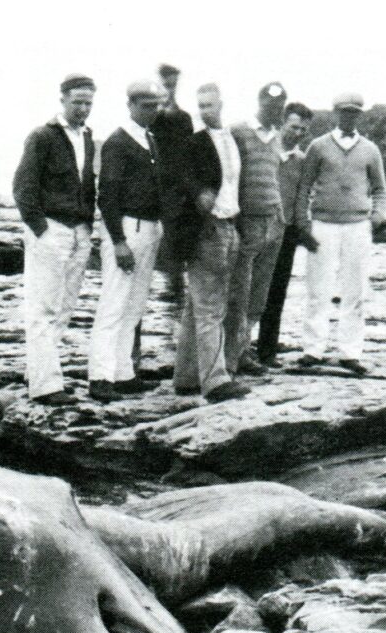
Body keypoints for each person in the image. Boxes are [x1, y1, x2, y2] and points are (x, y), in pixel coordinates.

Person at [11, 74, 98, 405]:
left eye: (88, 102)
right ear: (62, 100)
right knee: (43, 308)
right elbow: (23, 187)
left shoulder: (88, 138)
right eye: (77, 101)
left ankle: (40, 373)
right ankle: (46, 387)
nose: (83, 108)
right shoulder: (42, 136)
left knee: (65, 307)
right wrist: (41, 230)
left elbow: (88, 186)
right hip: (50, 230)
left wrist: (86, 227)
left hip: (78, 232)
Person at [293, 92, 386, 374]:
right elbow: (304, 188)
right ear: (336, 113)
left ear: (360, 115)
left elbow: (381, 190)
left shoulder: (370, 149)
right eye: (344, 112)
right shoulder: (318, 147)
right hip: (322, 225)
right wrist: (303, 223)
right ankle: (313, 349)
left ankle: (350, 352)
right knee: (317, 288)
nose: (349, 116)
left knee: (355, 290)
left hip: (358, 227)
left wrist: (376, 218)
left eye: (354, 112)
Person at [169, 84, 249, 403]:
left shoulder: (234, 139)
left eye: (210, 106)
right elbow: (180, 176)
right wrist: (198, 192)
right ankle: (215, 381)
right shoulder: (194, 143)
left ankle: (187, 376)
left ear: (221, 104)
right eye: (200, 106)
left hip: (231, 226)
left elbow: (235, 183)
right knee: (209, 306)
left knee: (197, 304)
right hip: (208, 230)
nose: (205, 112)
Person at [89, 80, 166, 401]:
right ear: (131, 105)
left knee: (134, 306)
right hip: (126, 228)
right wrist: (117, 241)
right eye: (146, 105)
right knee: (114, 303)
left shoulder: (150, 140)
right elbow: (107, 195)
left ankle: (123, 373)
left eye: (156, 105)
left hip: (150, 228)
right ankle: (99, 377)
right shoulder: (117, 142)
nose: (153, 111)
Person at [225, 82, 291, 376]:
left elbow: (275, 176)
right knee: (238, 293)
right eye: (269, 105)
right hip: (246, 222)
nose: (274, 111)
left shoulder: (277, 136)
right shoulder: (238, 132)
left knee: (259, 296)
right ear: (259, 102)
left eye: (279, 107)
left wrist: (279, 217)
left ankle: (243, 352)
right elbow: (229, 176)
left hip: (273, 223)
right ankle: (229, 356)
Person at [256, 102, 316, 367]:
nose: (298, 133)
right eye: (293, 127)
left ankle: (266, 352)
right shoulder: (264, 151)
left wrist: (302, 228)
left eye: (303, 129)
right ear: (282, 124)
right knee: (247, 288)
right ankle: (237, 349)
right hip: (257, 226)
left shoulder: (303, 162)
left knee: (276, 292)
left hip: (287, 231)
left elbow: (303, 197)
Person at [151, 63, 196, 304]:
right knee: (165, 237)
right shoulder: (153, 115)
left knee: (174, 237)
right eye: (167, 83)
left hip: (178, 186)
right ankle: (174, 284)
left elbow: (189, 150)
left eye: (173, 83)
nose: (170, 87)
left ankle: (176, 286)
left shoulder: (183, 117)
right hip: (157, 183)